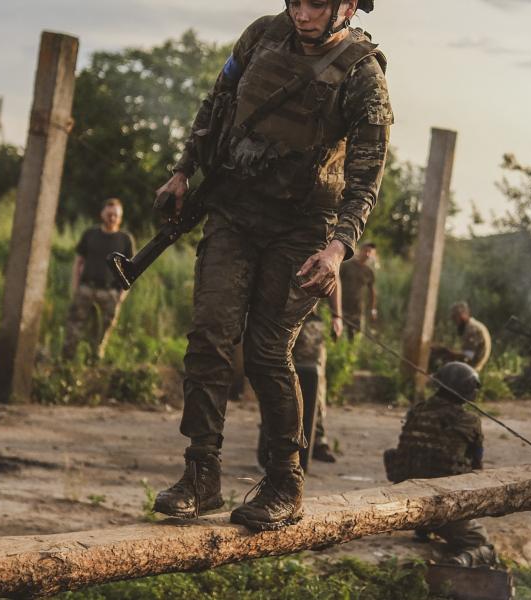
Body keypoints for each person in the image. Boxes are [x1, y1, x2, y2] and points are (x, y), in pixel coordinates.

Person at [151, 0, 393, 532]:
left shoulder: (362, 74)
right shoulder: (262, 35)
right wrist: (183, 171)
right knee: (209, 337)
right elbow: (218, 102)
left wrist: (337, 249)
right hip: (233, 211)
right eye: (297, 1)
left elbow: (365, 178)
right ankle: (201, 475)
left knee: (266, 353)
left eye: (318, 4)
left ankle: (285, 481)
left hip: (302, 230)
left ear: (348, 7)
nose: (304, 14)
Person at [383, 362, 497, 566]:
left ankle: (423, 528)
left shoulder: (415, 412)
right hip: (440, 508)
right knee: (481, 542)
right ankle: (460, 562)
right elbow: (476, 467)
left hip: (404, 501)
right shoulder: (470, 420)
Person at [256, 290, 344, 470]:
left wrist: (337, 315)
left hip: (307, 318)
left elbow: (333, 272)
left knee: (312, 382)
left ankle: (316, 438)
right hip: (274, 316)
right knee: (271, 377)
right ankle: (271, 436)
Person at [63, 198, 136, 361]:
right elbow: (78, 262)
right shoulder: (90, 234)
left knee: (101, 334)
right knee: (73, 329)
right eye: (109, 214)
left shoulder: (125, 239)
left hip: (110, 293)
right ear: (102, 214)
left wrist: (122, 296)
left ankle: (93, 365)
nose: (112, 218)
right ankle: (66, 364)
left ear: (120, 217)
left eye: (115, 215)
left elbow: (131, 271)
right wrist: (75, 286)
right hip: (85, 289)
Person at [432, 301, 491, 372]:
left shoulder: (471, 329)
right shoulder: (472, 326)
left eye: (454, 317)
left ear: (462, 315)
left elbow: (468, 356)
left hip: (471, 369)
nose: (453, 321)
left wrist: (446, 352)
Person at [339, 242, 378, 338]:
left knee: (355, 338)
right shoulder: (346, 265)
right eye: (366, 251)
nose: (367, 254)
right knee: (336, 336)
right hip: (341, 308)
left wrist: (373, 309)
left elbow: (372, 291)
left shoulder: (369, 271)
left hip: (358, 311)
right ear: (360, 250)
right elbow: (335, 282)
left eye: (370, 252)